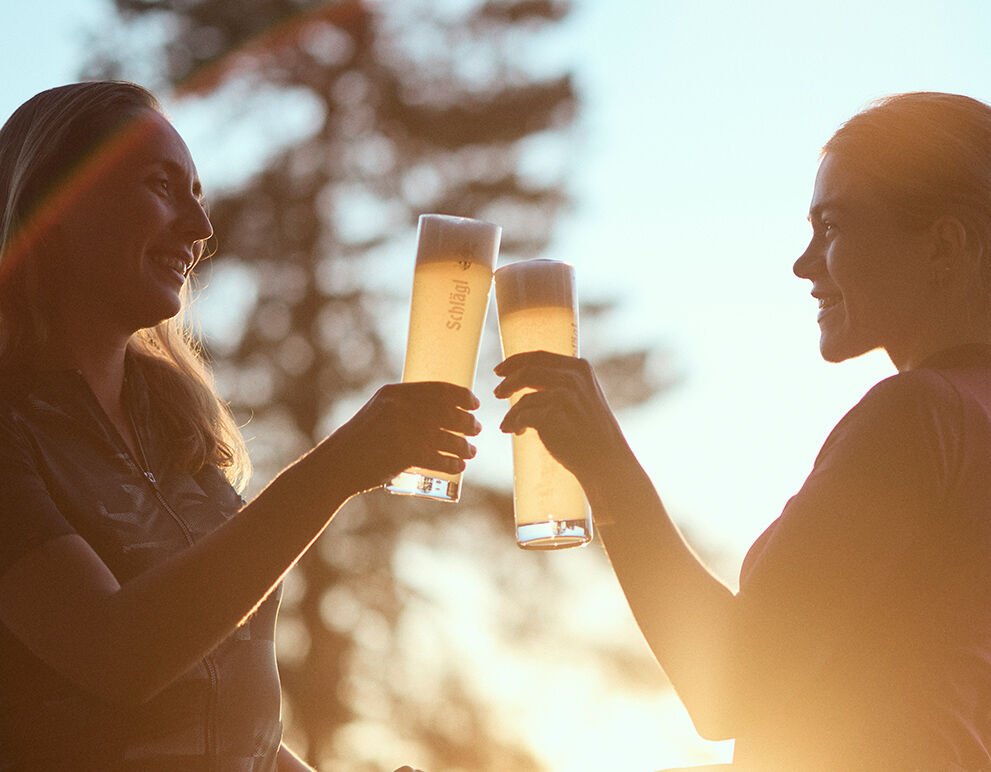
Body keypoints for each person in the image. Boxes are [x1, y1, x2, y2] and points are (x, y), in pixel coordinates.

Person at [496, 91, 991, 770]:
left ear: (942, 245)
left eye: (832, 226)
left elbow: (727, 687)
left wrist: (603, 463)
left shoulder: (919, 414)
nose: (803, 262)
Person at [0, 81, 477, 771]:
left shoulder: (176, 429)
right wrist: (335, 470)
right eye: (162, 186)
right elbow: (117, 657)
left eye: (197, 194)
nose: (200, 229)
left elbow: (219, 712)